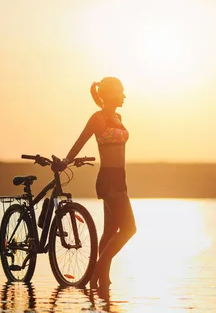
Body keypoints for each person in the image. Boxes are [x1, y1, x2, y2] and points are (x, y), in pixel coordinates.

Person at [60, 77, 137, 288]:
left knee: (111, 232)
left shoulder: (118, 117)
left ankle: (102, 280)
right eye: (121, 92)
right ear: (110, 94)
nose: (124, 96)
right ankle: (96, 270)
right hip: (108, 179)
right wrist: (66, 161)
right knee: (130, 229)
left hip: (120, 179)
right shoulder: (98, 118)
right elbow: (80, 141)